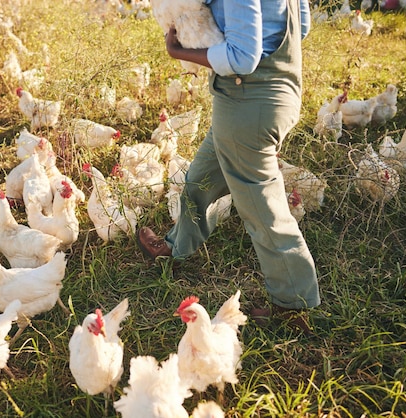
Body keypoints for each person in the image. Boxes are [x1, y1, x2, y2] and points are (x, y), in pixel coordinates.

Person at [137, 0, 320, 334]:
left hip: (248, 102)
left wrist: (179, 52)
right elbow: (300, 28)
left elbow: (241, 58)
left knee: (263, 211)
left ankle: (293, 306)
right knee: (203, 175)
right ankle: (174, 246)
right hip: (277, 92)